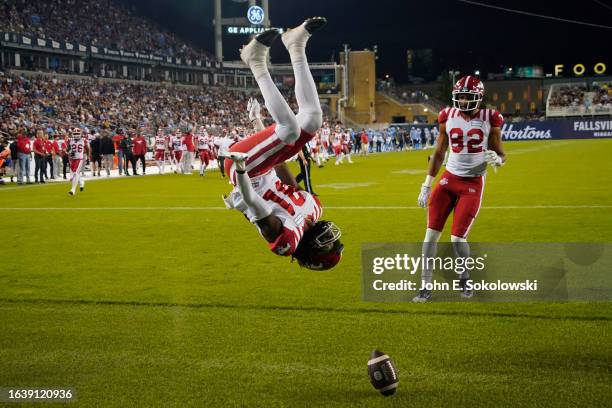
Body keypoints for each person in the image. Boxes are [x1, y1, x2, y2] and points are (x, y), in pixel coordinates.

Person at [223, 19, 343, 270]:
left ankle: (254, 60)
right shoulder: (315, 209)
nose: (330, 239)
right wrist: (259, 124)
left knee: (289, 130)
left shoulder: (287, 241)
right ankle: (296, 45)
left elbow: (255, 205)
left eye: (327, 247)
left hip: (245, 172)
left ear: (312, 254)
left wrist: (242, 171)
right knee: (312, 120)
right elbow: (282, 169)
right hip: (262, 166)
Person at [413, 76, 506, 302]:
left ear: (479, 98)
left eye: (468, 97)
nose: (463, 101)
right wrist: (426, 185)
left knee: (457, 239)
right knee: (430, 236)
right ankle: (425, 286)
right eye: (460, 97)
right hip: (448, 178)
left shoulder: (490, 119)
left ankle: (465, 278)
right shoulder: (447, 116)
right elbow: (438, 153)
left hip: (472, 183)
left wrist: (498, 159)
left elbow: (501, 154)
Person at [67, 127, 90, 196]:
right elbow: (68, 149)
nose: (76, 135)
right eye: (75, 133)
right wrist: (69, 152)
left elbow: (88, 149)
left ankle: (73, 190)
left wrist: (88, 157)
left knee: (75, 173)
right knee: (75, 173)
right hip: (72, 159)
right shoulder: (70, 140)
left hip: (79, 158)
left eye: (77, 133)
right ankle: (81, 182)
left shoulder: (84, 140)